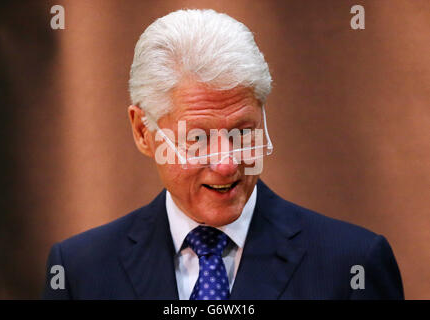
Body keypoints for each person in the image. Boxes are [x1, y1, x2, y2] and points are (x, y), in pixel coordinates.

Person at [42, 9, 403, 300]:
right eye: (197, 138)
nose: (228, 163)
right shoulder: (79, 272)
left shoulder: (353, 265)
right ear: (143, 131)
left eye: (243, 132)